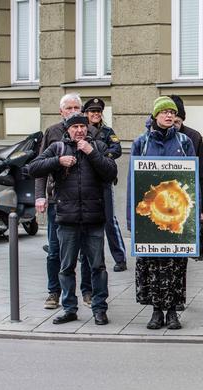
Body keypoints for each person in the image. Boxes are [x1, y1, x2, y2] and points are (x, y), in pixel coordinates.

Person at [28, 113, 117, 325]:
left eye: (82, 126)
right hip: (67, 219)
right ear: (67, 129)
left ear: (87, 129)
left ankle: (99, 308)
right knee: (66, 267)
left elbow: (110, 173)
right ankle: (69, 309)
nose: (79, 130)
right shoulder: (58, 148)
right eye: (75, 127)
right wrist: (57, 161)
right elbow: (32, 168)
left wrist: (91, 152)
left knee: (98, 267)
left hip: (94, 218)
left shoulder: (99, 146)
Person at [127, 96, 196, 330]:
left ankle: (174, 312)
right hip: (150, 216)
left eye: (172, 112)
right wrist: (132, 219)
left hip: (177, 215)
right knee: (152, 264)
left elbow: (192, 181)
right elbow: (132, 182)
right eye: (164, 112)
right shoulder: (141, 142)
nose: (169, 116)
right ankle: (156, 311)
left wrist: (194, 216)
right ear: (155, 115)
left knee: (176, 264)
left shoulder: (184, 142)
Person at [35, 93, 95, 309]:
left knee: (87, 252)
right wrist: (40, 195)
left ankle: (87, 292)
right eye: (68, 108)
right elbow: (39, 168)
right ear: (61, 112)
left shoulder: (90, 131)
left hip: (85, 202)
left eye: (76, 107)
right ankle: (54, 292)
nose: (73, 112)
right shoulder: (52, 132)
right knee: (54, 249)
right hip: (57, 200)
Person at [168, 95, 203, 311]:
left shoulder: (193, 137)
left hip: (186, 203)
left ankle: (179, 297)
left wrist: (202, 209)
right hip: (164, 203)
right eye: (170, 118)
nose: (173, 124)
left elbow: (202, 173)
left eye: (177, 120)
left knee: (182, 254)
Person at [81, 97, 127, 273]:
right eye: (92, 111)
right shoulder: (81, 130)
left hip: (104, 181)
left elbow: (116, 150)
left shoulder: (107, 131)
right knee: (83, 220)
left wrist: (99, 156)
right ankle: (82, 255)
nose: (96, 114)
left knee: (109, 221)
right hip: (86, 182)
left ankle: (120, 258)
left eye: (98, 111)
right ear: (86, 114)